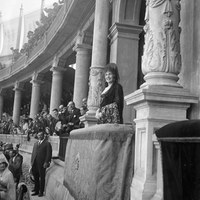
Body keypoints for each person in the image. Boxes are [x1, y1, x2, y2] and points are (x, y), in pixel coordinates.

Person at [30, 129, 52, 197]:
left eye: (41, 135)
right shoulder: (36, 143)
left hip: (42, 163)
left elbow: (49, 154)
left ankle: (41, 191)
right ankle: (36, 190)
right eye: (38, 135)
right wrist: (31, 162)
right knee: (35, 177)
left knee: (42, 178)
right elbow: (33, 153)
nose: (39, 136)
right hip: (35, 163)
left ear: (44, 136)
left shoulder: (47, 143)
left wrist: (46, 162)